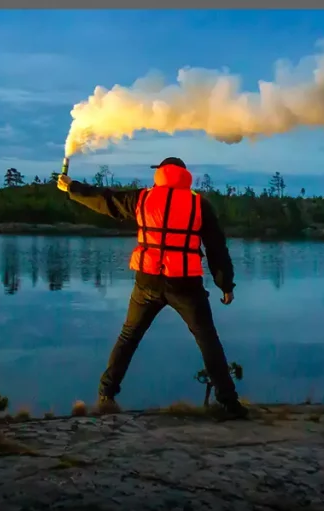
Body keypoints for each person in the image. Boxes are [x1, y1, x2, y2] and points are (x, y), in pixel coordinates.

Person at [57, 157, 248, 419]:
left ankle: (106, 395)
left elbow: (105, 200)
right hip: (185, 284)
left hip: (147, 281)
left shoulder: (143, 199)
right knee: (207, 340)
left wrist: (71, 187)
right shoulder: (199, 204)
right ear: (183, 175)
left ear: (160, 173)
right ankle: (229, 403)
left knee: (128, 337)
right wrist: (225, 284)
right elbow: (216, 247)